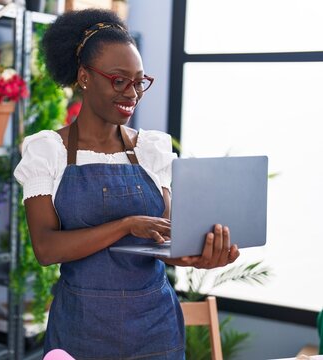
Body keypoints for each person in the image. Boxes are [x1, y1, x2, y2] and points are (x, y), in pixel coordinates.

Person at [14, 9, 240, 359]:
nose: (132, 93)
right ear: (84, 77)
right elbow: (46, 248)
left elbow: (165, 239)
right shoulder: (48, 151)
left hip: (155, 328)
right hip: (82, 328)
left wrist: (200, 256)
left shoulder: (152, 149)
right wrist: (126, 225)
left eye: (139, 81)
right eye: (119, 80)